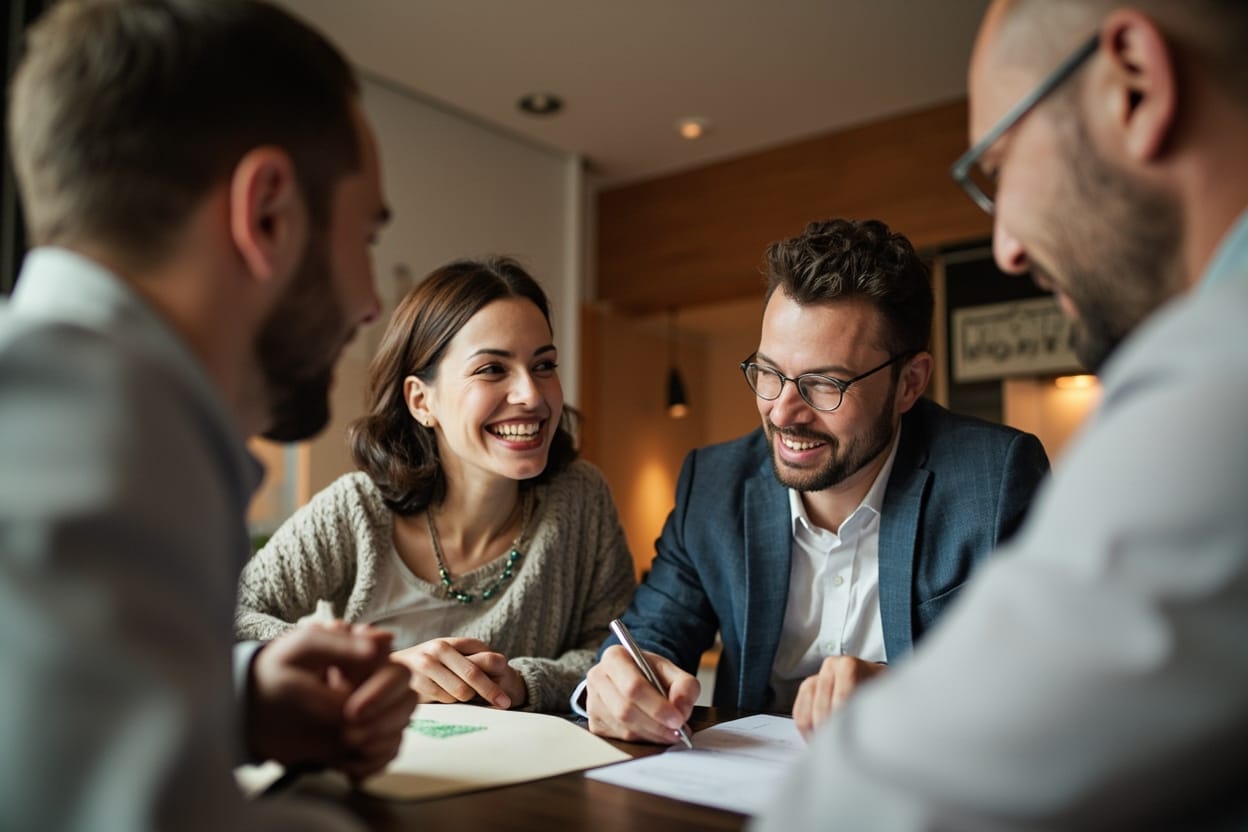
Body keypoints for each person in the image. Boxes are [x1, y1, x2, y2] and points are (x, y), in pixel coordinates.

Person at [756, 1, 1248, 829]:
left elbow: (892, 796)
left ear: (1133, 83)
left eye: (1002, 160)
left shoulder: (1216, 380)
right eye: (769, 375)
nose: (1009, 246)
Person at [0, 1, 418, 830]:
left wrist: (233, 700)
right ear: (266, 214)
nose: (372, 304)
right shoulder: (102, 441)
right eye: (365, 238)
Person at [581, 217, 1051, 743]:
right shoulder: (713, 485)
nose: (783, 411)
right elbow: (649, 638)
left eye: (824, 383)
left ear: (909, 384)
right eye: (767, 372)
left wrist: (911, 696)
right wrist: (620, 683)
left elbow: (1052, 684)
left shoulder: (995, 479)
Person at [236, 257, 637, 713]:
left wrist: (526, 682)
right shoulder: (356, 511)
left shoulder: (581, 498)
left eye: (544, 365)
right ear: (421, 401)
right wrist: (378, 670)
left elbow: (617, 653)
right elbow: (227, 618)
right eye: (492, 369)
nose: (531, 394)